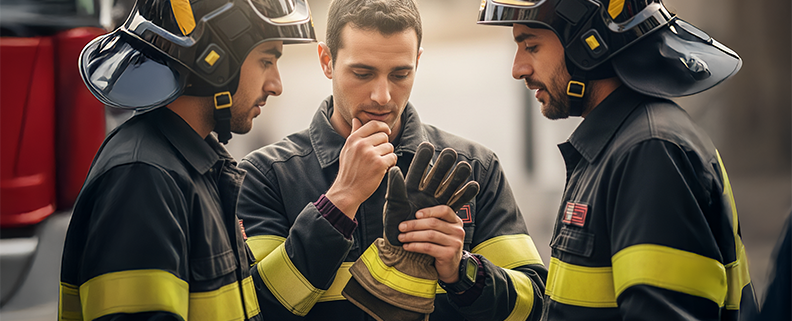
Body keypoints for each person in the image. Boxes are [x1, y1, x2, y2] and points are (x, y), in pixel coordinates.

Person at [236, 0, 547, 320]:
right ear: (326, 61)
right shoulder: (265, 176)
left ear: (418, 62)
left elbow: (535, 305)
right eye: (362, 73)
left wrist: (462, 270)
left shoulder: (475, 168)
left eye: (400, 74)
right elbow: (252, 308)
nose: (382, 95)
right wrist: (340, 201)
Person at [477, 0, 758, 320]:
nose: (518, 69)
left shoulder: (650, 153)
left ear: (588, 46)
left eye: (531, 46)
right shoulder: (618, 147)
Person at [58, 0, 316, 319]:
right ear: (215, 62)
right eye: (266, 61)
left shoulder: (195, 170)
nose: (276, 85)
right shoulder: (143, 180)